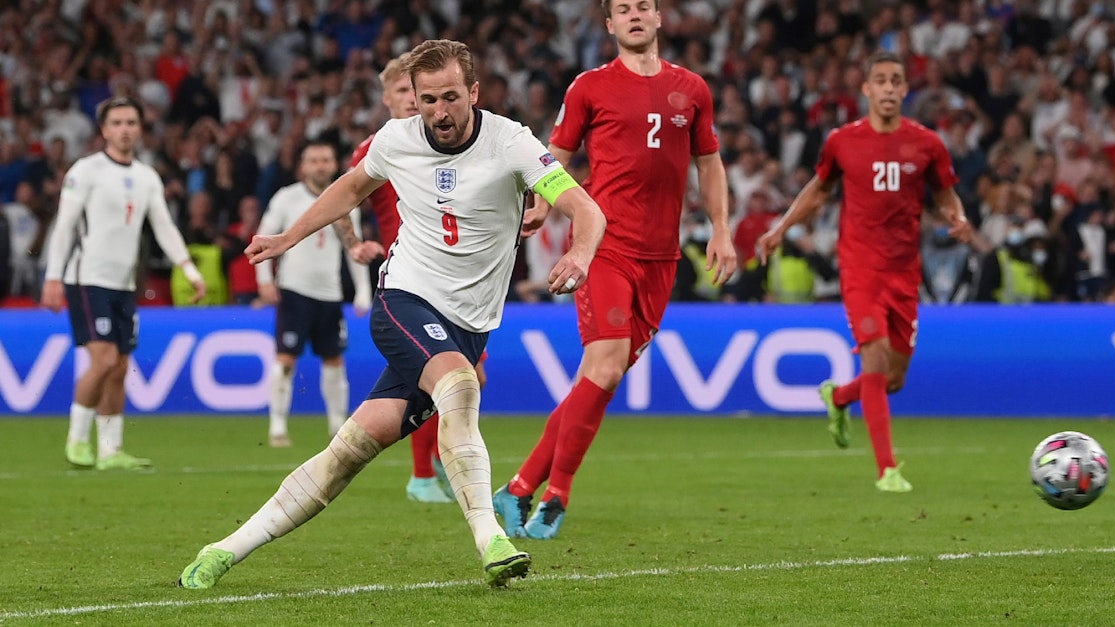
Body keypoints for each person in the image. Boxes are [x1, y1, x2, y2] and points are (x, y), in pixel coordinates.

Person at [177, 39, 607, 590]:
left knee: (350, 450)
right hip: (405, 298)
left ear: (473, 93)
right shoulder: (396, 140)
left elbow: (584, 208)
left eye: (451, 97)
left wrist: (579, 251)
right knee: (459, 385)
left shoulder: (512, 144)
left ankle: (225, 549)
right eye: (428, 100)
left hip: (470, 324)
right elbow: (351, 187)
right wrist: (289, 236)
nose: (439, 112)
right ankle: (489, 538)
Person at [494, 0, 736, 540]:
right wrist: (538, 200)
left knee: (596, 379)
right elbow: (552, 153)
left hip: (662, 258)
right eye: (622, 8)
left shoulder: (692, 89)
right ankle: (556, 494)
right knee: (603, 368)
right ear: (608, 24)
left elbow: (709, 162)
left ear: (657, 18)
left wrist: (721, 227)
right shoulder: (589, 87)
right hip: (603, 245)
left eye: (642, 6)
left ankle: (516, 489)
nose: (633, 14)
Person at [756, 51, 973, 493]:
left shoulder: (927, 144)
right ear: (867, 89)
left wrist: (958, 217)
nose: (889, 88)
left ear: (905, 90)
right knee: (873, 358)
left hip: (904, 271)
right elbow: (819, 191)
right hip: (859, 266)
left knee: (892, 378)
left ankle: (837, 398)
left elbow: (946, 195)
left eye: (896, 80)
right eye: (881, 80)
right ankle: (886, 469)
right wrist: (780, 229)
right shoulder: (843, 141)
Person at [40, 97, 206, 471]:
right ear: (104, 130)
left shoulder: (147, 176)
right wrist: (52, 277)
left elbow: (163, 226)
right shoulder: (86, 171)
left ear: (140, 128)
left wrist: (189, 270)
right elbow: (64, 227)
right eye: (116, 122)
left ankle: (111, 451)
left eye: (131, 121)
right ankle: (77, 441)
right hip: (86, 278)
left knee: (119, 367)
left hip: (124, 284)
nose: (125, 129)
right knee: (103, 360)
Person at [340, 52, 465, 504]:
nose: (411, 101)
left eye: (414, 93)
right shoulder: (380, 145)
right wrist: (354, 242)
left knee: (461, 380)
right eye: (401, 93)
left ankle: (439, 464)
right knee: (434, 377)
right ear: (386, 98)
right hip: (409, 278)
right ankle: (422, 474)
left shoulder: (442, 141)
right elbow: (345, 198)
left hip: (454, 276)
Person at [256, 142, 370, 447]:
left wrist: (363, 291)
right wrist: (264, 278)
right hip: (295, 291)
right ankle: (277, 427)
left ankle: (337, 427)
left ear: (335, 164)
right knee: (286, 359)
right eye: (314, 160)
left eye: (326, 159)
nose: (320, 165)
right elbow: (264, 234)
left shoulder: (347, 201)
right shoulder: (287, 198)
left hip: (330, 294)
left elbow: (353, 249)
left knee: (334, 359)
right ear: (303, 167)